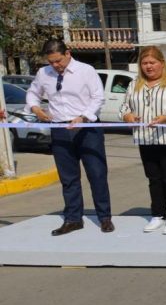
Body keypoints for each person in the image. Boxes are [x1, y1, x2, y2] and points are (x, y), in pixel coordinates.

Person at [26, 39, 114, 235]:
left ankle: (104, 217)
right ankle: (73, 219)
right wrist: (35, 108)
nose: (55, 66)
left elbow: (98, 97)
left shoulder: (86, 70)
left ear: (68, 53)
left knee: (97, 174)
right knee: (68, 178)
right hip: (60, 129)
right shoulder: (43, 73)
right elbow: (33, 93)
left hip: (87, 128)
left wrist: (83, 116)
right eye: (51, 62)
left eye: (58, 61)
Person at [119, 46, 166, 235]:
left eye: (152, 62)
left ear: (161, 62)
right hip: (146, 139)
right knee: (154, 179)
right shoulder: (134, 84)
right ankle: (158, 214)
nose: (149, 67)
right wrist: (127, 116)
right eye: (145, 63)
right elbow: (124, 107)